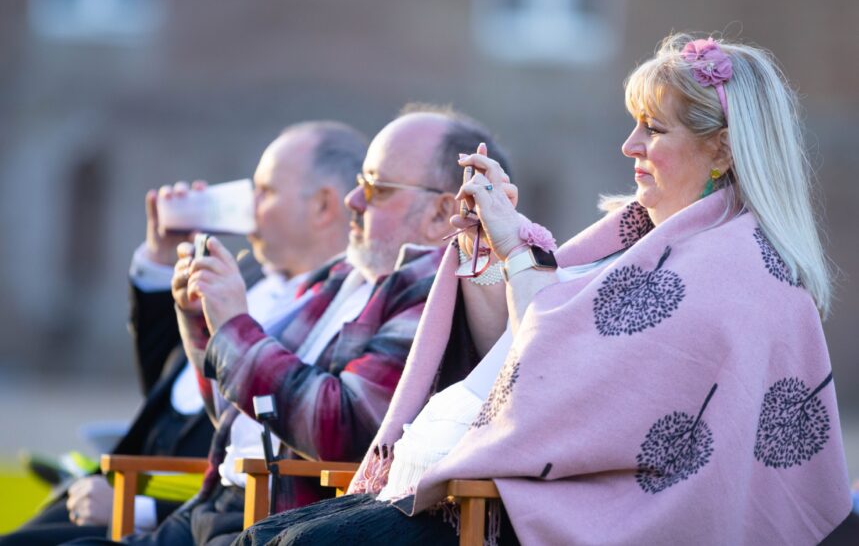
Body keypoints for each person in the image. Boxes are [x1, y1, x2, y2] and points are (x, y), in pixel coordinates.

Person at [235, 33, 851, 546]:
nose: (629, 146)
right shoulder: (643, 239)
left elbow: (558, 376)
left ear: (720, 146)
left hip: (548, 522)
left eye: (654, 130)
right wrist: (493, 254)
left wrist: (514, 249)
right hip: (484, 501)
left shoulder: (735, 267)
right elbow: (517, 354)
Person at [66, 106, 509, 546]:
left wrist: (235, 326)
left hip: (275, 515)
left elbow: (341, 427)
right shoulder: (338, 275)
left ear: (440, 213)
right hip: (214, 505)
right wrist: (206, 320)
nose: (352, 201)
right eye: (359, 184)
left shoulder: (432, 291)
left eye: (374, 188)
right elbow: (242, 408)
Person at [0, 121, 366, 546]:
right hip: (122, 485)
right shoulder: (242, 272)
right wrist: (161, 259)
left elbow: (282, 460)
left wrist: (139, 506)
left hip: (179, 510)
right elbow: (165, 383)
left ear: (323, 206)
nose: (249, 207)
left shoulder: (343, 311)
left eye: (265, 192)